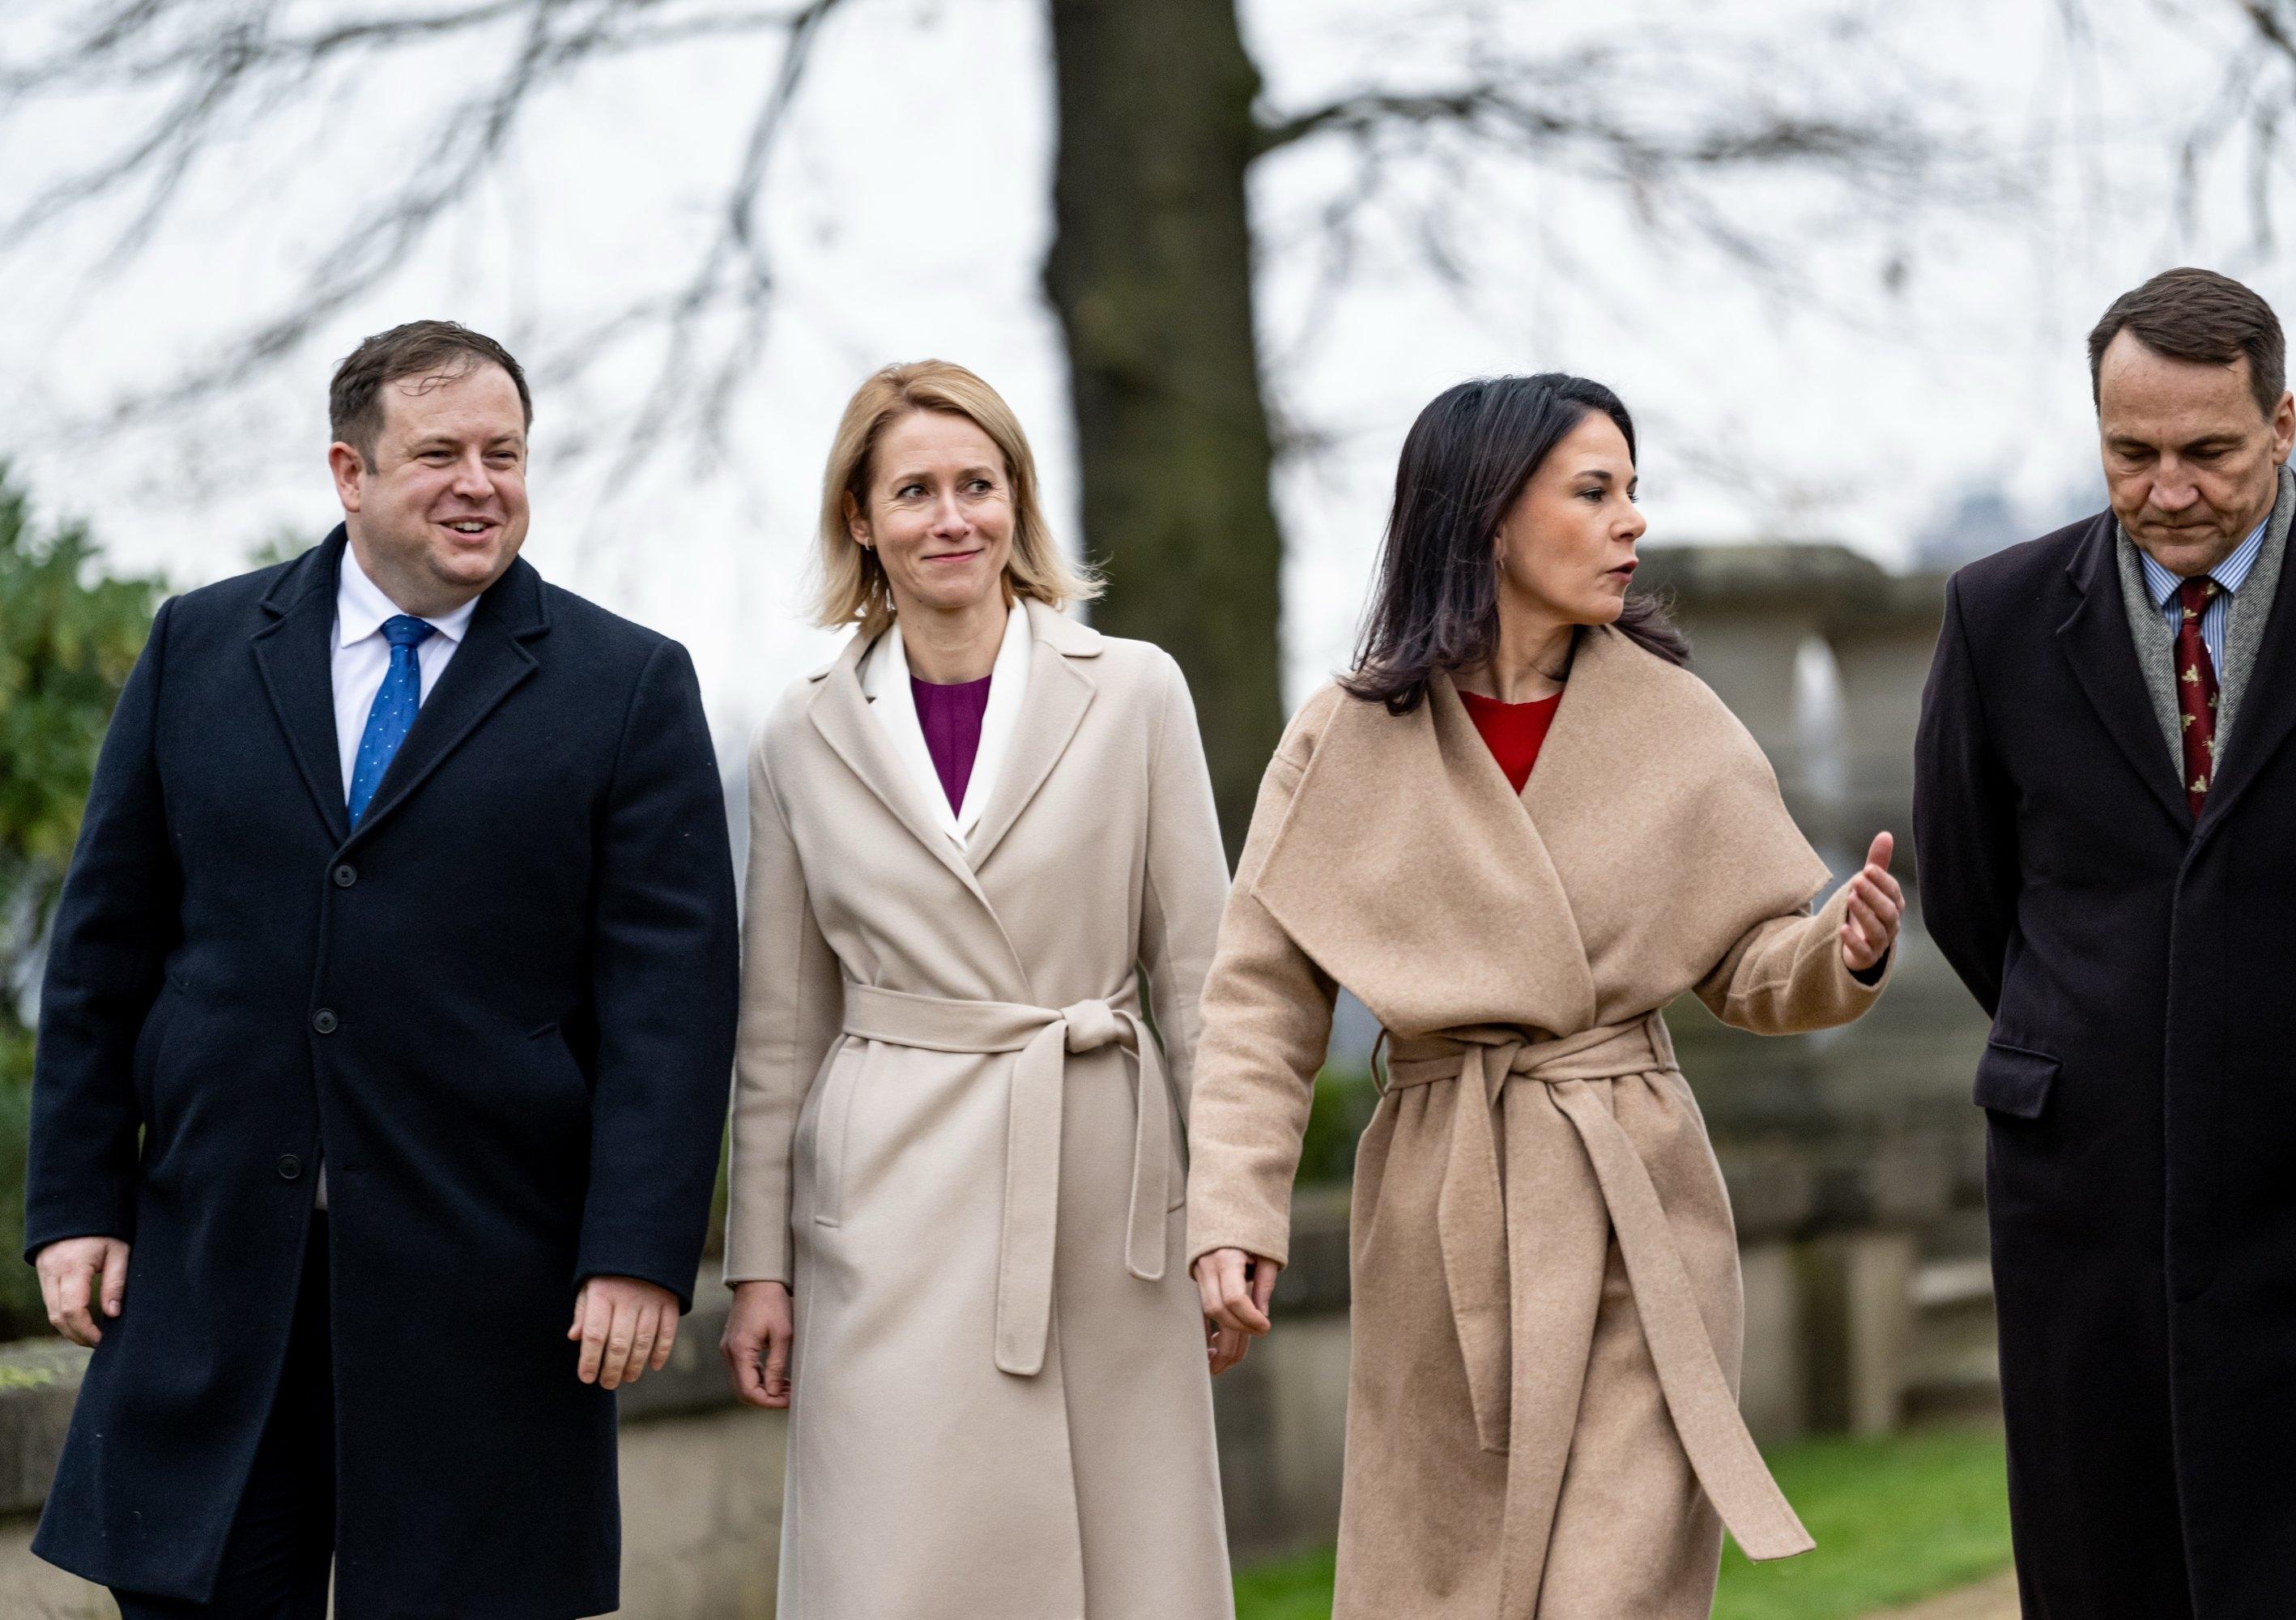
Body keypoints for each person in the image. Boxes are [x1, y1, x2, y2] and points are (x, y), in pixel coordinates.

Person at [23, 319, 740, 1619]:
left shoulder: (626, 685)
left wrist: (636, 1250)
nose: (481, 483)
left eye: (506, 453)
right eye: (441, 454)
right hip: (216, 1265)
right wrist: (76, 1202)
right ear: (350, 474)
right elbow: (103, 952)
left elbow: (671, 1007)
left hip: (488, 1283)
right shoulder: (200, 648)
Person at [1187, 373, 1903, 1620]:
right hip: (1436, 1210)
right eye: (1595, 491)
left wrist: (1840, 950)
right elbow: (1261, 997)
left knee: (1611, 1594)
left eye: (1634, 491)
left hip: (1638, 1202)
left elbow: (1746, 967)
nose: (1632, 521)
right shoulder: (1346, 738)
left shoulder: (1677, 723)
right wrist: (1234, 1208)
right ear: (1489, 515)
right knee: (1444, 1588)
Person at [1913, 266, 2296, 1618]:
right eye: (2130, 454)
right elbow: (1974, 897)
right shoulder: (1998, 615)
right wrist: (2101, 1031)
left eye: (2208, 451)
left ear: (2284, 423)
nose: (2169, 489)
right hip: (2079, 1214)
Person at [718, 360, 1237, 1620]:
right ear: (861, 518)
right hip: (887, 1194)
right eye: (913, 491)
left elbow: (1202, 977)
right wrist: (759, 1268)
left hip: (1101, 1169)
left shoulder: (1135, 690)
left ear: (1018, 502)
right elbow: (782, 1025)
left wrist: (1230, 1212)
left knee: (1130, 1547)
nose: (951, 518)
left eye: (978, 485)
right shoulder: (804, 730)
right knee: (893, 1552)